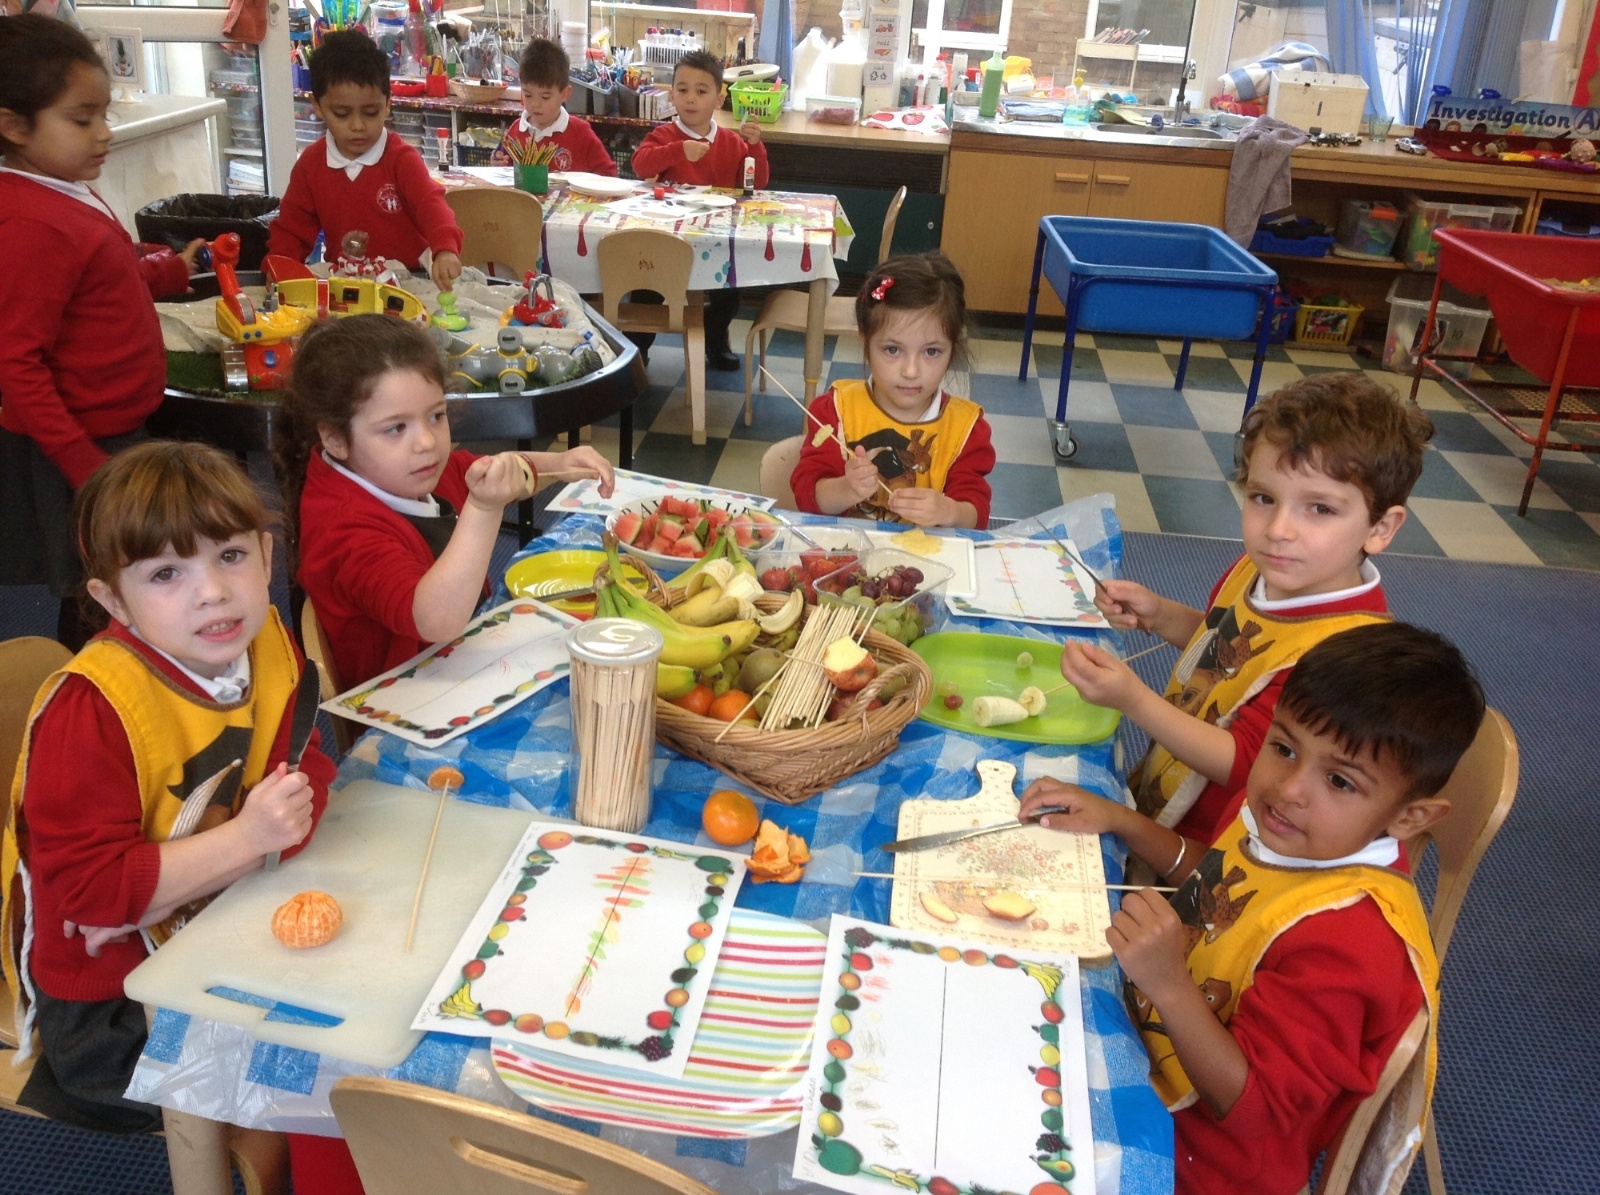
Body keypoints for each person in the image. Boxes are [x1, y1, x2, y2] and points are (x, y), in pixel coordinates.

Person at [1018, 622, 1485, 1195]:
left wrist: (1170, 985)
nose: (1289, 788)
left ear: (1410, 817)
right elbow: (1226, 885)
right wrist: (1124, 822)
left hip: (1197, 1159)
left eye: (1340, 781)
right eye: (1283, 748)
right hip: (1146, 1035)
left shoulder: (1353, 947)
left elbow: (1251, 1112)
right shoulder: (1297, 828)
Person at [0, 441, 334, 1134]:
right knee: (329, 1080)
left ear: (267, 555)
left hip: (212, 922)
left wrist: (183, 881)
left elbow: (306, 775)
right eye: (165, 573)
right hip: (112, 1009)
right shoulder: (92, 712)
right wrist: (248, 838)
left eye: (230, 555)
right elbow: (92, 898)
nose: (211, 591)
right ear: (111, 600)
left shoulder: (265, 640)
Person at [1060, 373, 1434, 844]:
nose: (1278, 529)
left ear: (1381, 528)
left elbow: (1244, 763)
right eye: (1263, 498)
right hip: (1165, 793)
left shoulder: (1347, 654)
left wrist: (1133, 699)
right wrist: (1159, 615)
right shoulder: (1263, 570)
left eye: (1320, 509)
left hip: (1211, 841)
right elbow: (1227, 649)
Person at [0, 15, 203, 650]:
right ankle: (89, 696)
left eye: (104, 114)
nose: (104, 133)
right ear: (14, 126)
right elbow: (16, 364)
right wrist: (85, 466)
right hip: (83, 446)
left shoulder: (64, 190)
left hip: (114, 432)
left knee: (128, 578)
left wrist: (165, 270)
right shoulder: (34, 223)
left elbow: (100, 276)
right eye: (81, 119)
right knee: (102, 593)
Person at [276, 314, 616, 689]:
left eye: (436, 416)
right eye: (396, 428)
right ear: (335, 439)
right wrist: (484, 509)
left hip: (462, 660)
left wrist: (560, 464)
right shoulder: (342, 529)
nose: (426, 442)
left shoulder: (404, 472)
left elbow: (492, 472)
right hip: (404, 701)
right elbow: (436, 620)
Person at [790, 252, 996, 529]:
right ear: (866, 342)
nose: (911, 371)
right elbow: (807, 497)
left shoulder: (966, 429)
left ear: (952, 348)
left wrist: (949, 512)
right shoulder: (835, 411)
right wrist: (846, 489)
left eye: (931, 352)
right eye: (892, 350)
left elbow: (975, 515)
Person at [268, 29, 464, 291]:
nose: (358, 126)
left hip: (409, 283)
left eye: (370, 112)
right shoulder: (311, 165)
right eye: (342, 114)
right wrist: (279, 265)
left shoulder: (401, 159)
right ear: (317, 106)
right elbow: (292, 230)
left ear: (388, 104)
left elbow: (432, 206)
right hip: (346, 283)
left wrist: (445, 248)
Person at [631, 49, 769, 371]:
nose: (690, 98)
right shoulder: (664, 135)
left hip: (715, 240)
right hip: (667, 240)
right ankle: (637, 348)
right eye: (682, 89)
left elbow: (756, 184)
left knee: (731, 291)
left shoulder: (732, 142)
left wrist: (755, 147)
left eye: (701, 91)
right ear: (672, 95)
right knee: (645, 288)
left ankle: (714, 337)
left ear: (719, 100)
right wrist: (679, 150)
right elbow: (640, 165)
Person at [492, 38, 616, 176]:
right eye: (528, 95)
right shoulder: (515, 132)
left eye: (545, 97)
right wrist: (497, 163)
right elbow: (503, 171)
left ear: (565, 94)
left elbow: (609, 175)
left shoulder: (580, 133)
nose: (535, 104)